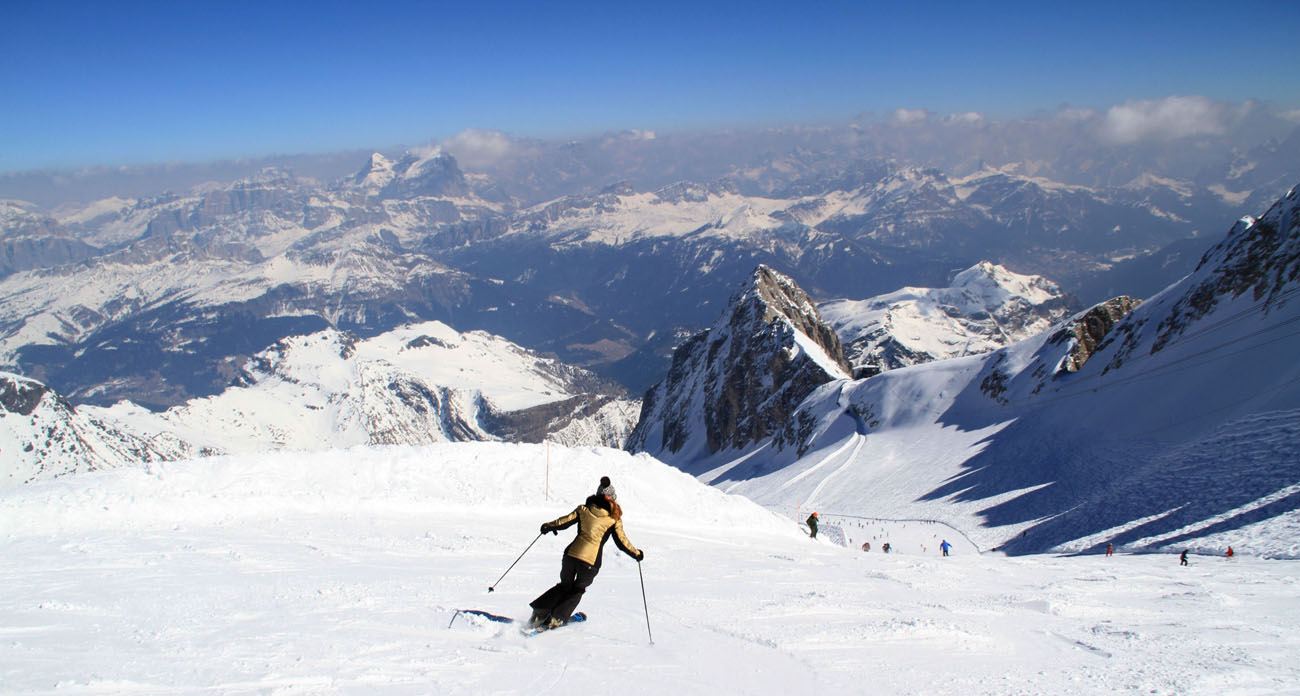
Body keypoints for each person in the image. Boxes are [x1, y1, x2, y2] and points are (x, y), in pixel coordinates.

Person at [528, 477, 643, 630]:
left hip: (570, 555)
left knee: (564, 585)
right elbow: (622, 542)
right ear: (610, 498)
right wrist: (637, 554)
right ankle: (557, 618)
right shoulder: (613, 519)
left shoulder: (584, 510)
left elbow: (564, 521)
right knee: (577, 589)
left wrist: (549, 526)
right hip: (590, 562)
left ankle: (540, 612)